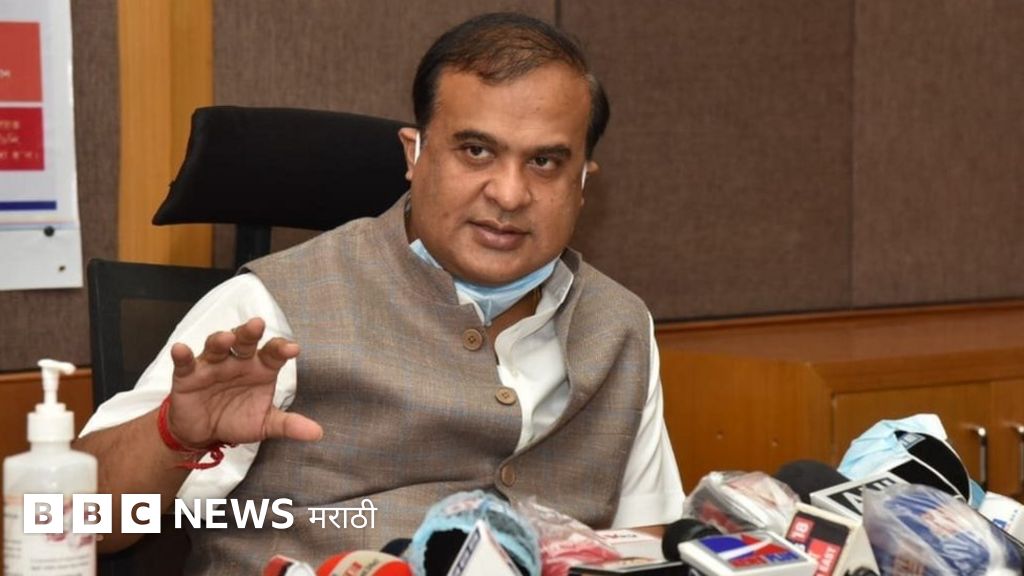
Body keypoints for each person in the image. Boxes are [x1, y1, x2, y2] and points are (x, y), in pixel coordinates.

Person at [74, 11, 684, 573]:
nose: (509, 193)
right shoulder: (268, 310)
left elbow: (645, 538)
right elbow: (69, 522)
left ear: (582, 183)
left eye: (545, 163)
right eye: (476, 151)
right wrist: (175, 436)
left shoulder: (619, 325)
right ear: (415, 155)